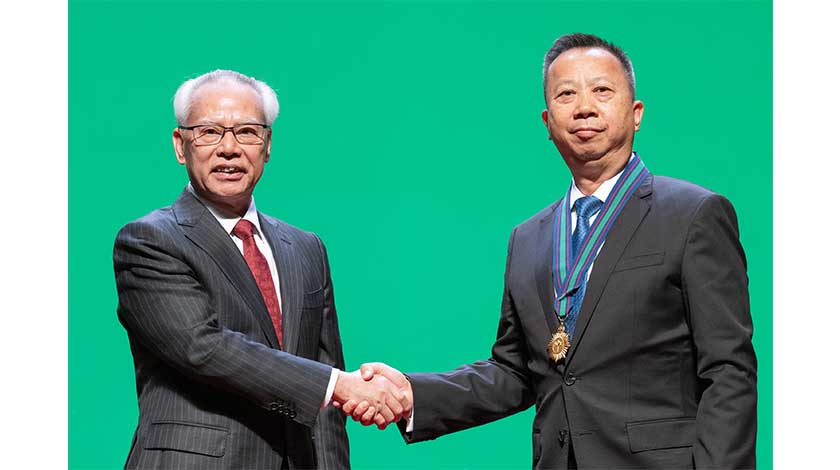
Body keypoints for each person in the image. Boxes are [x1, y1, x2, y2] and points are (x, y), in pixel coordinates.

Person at [348, 34, 757, 469]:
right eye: (566, 95)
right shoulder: (529, 239)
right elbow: (515, 372)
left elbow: (728, 371)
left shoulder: (693, 215)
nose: (584, 107)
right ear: (547, 121)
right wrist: (412, 394)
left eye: (602, 90)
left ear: (636, 113)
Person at [113, 69, 408, 469]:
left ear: (267, 146)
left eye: (247, 132)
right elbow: (204, 348)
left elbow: (324, 398)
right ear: (180, 146)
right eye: (209, 132)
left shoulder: (305, 248)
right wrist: (339, 385)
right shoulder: (149, 240)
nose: (229, 148)